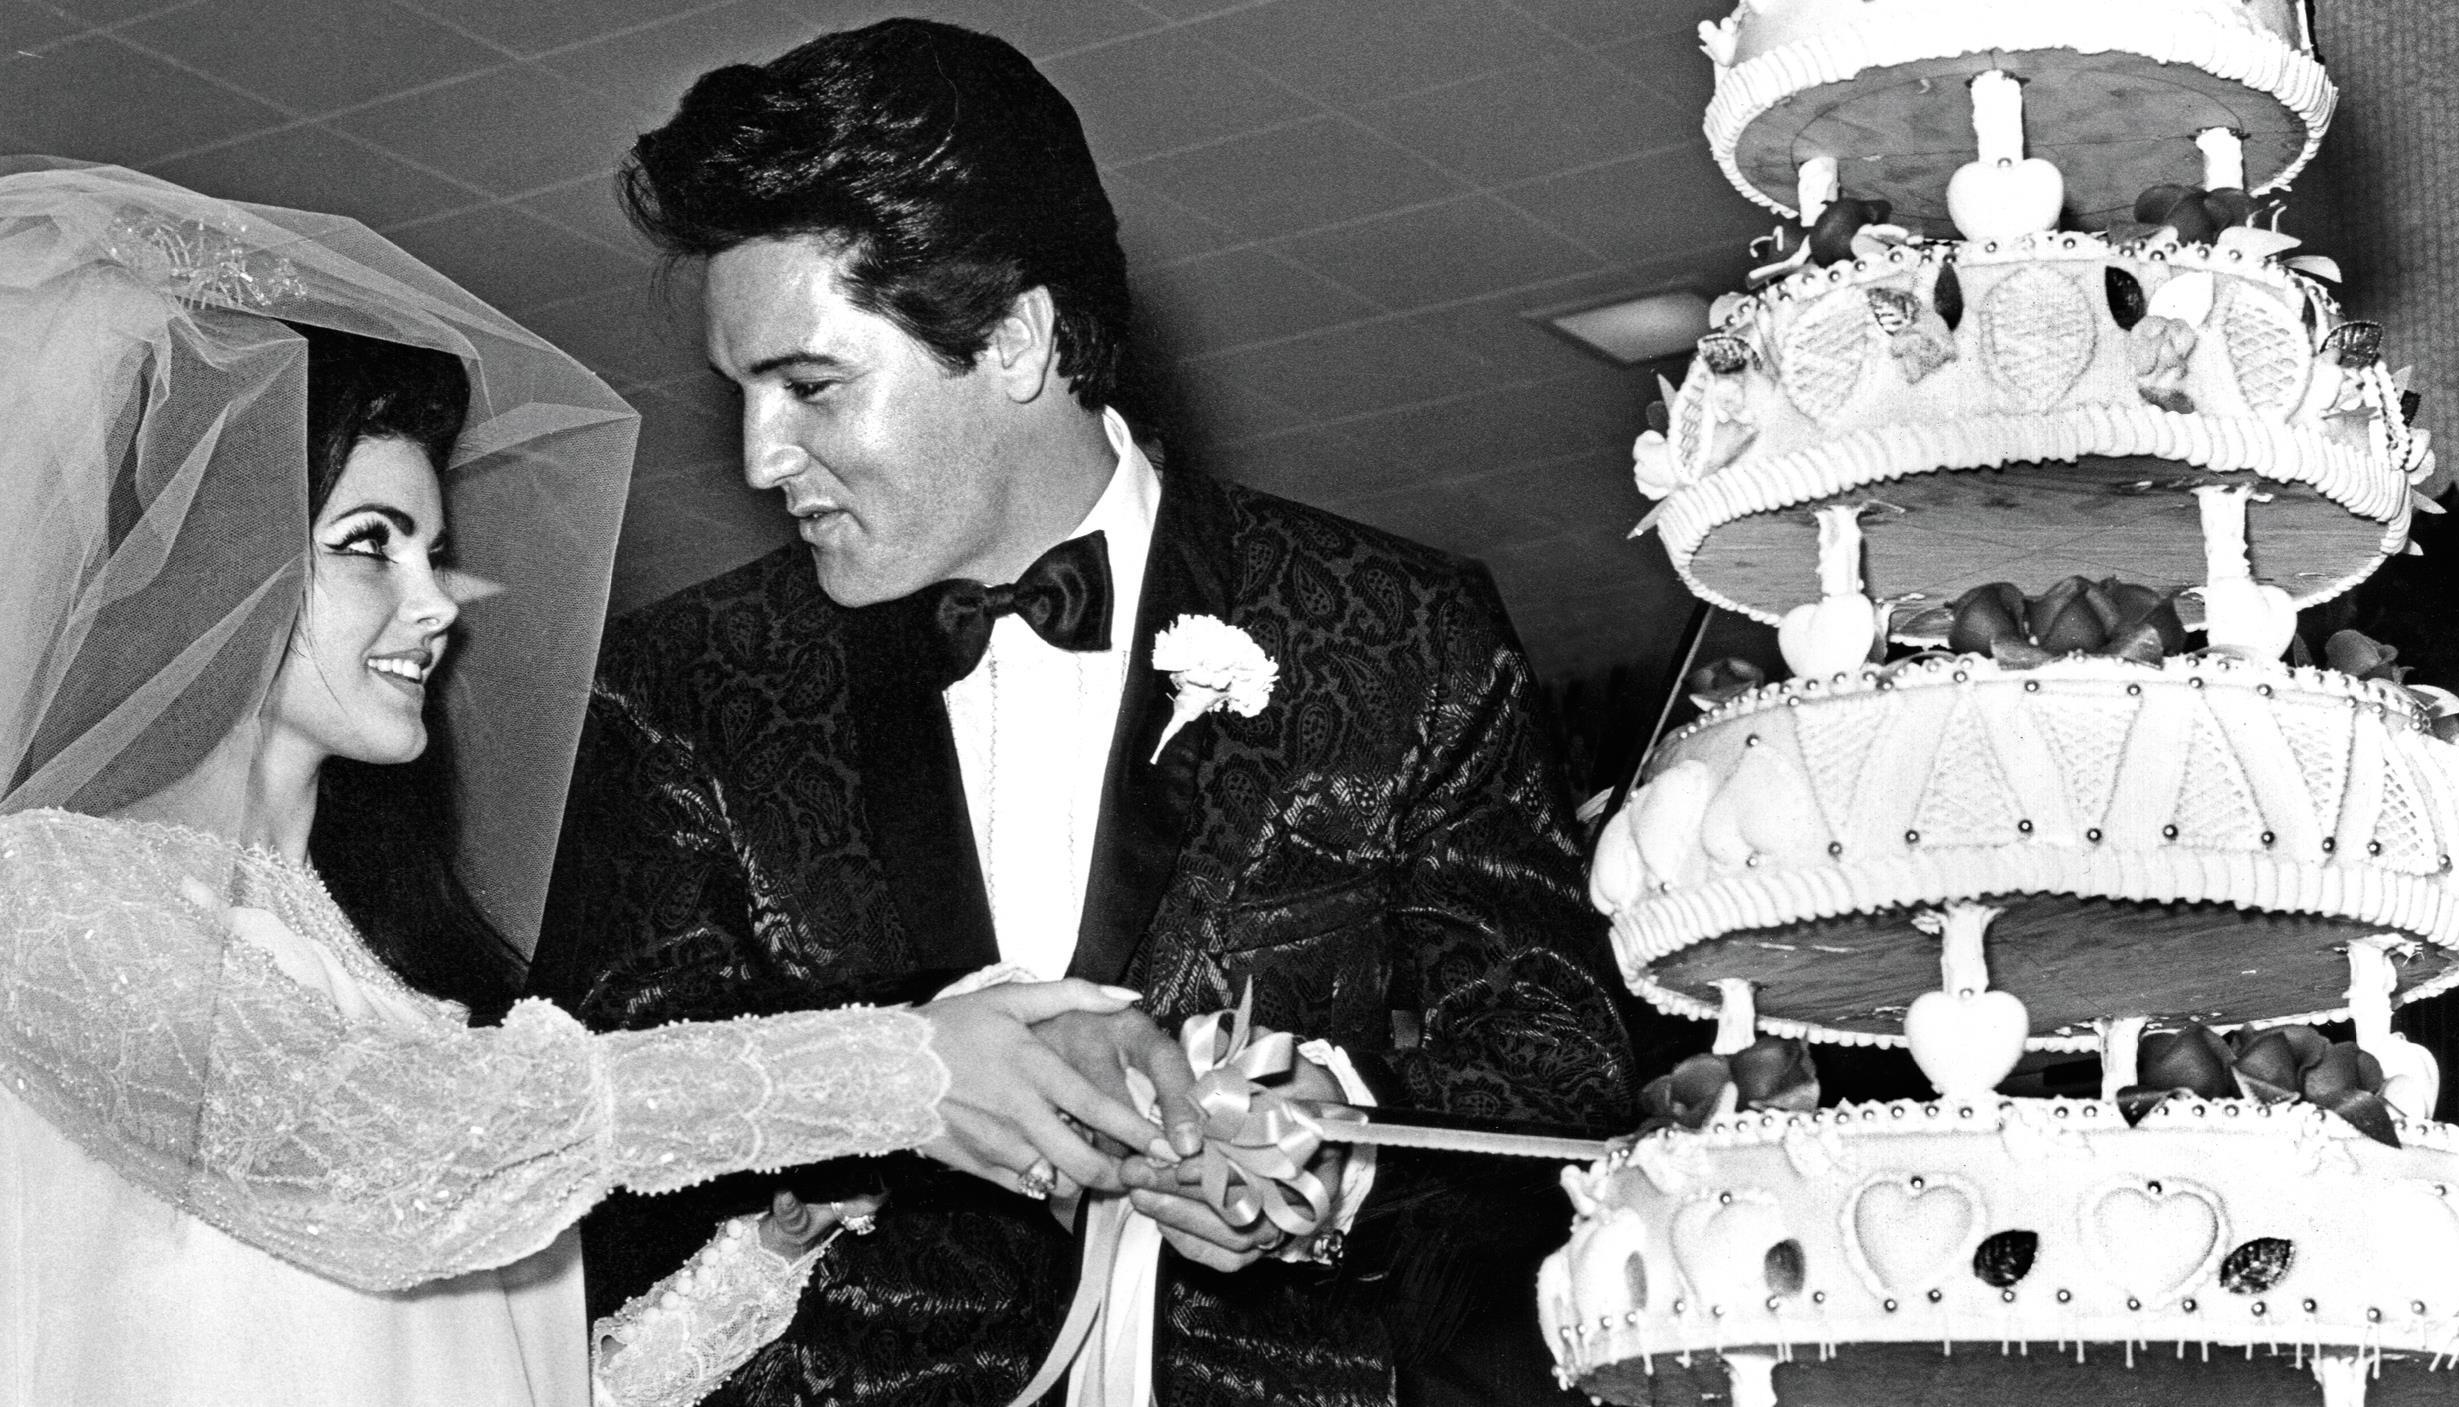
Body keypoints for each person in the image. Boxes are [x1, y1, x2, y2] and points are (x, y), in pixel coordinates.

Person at [527, 18, 1636, 1407]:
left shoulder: (1402, 631)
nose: (760, 458)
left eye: (809, 387)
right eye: (741, 393)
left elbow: (1558, 1077)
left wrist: (1338, 1161)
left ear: (1015, 339)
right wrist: (880, 1099)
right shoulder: (683, 685)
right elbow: (607, 1134)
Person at [0, 161, 1171, 1407]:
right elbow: (387, 1161)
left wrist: (769, 1256)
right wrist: (891, 1073)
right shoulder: (51, 896)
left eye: (434, 550)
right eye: (369, 546)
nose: (437, 604)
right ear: (214, 572)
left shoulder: (393, 988)